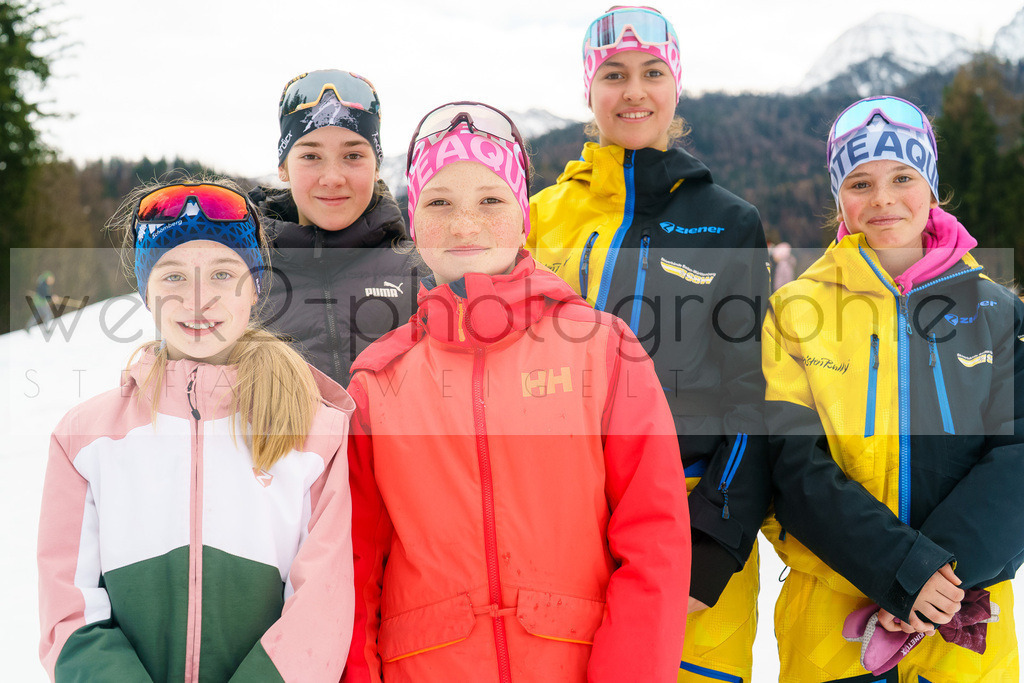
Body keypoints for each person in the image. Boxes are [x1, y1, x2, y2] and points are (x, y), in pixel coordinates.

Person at [343, 102, 690, 682]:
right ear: (413, 219)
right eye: (439, 202)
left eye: (489, 200)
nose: (463, 225)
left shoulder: (602, 351)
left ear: (524, 215)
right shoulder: (379, 381)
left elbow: (654, 541)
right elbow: (354, 570)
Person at [527, 6, 771, 681]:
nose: (633, 91)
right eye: (614, 74)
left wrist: (713, 544)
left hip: (683, 539)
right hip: (552, 533)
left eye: (651, 72)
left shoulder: (728, 222)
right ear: (589, 89)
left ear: (675, 85)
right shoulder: (539, 217)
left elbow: (752, 399)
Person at [37, 181, 355, 682]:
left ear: (254, 288)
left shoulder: (317, 434)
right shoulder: (84, 440)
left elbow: (323, 608)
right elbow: (69, 609)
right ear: (145, 293)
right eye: (173, 277)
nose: (198, 299)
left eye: (223, 274)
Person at [763, 95, 1024, 681]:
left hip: (961, 620)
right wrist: (900, 568)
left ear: (931, 184)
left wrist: (941, 576)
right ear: (839, 199)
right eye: (860, 182)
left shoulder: (995, 311)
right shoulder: (793, 312)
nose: (882, 198)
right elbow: (789, 463)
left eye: (902, 176)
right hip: (832, 625)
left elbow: (1018, 454)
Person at [252, 69, 420, 384]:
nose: (332, 178)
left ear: (377, 167)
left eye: (353, 155)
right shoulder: (242, 272)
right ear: (283, 167)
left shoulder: (421, 273)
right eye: (311, 156)